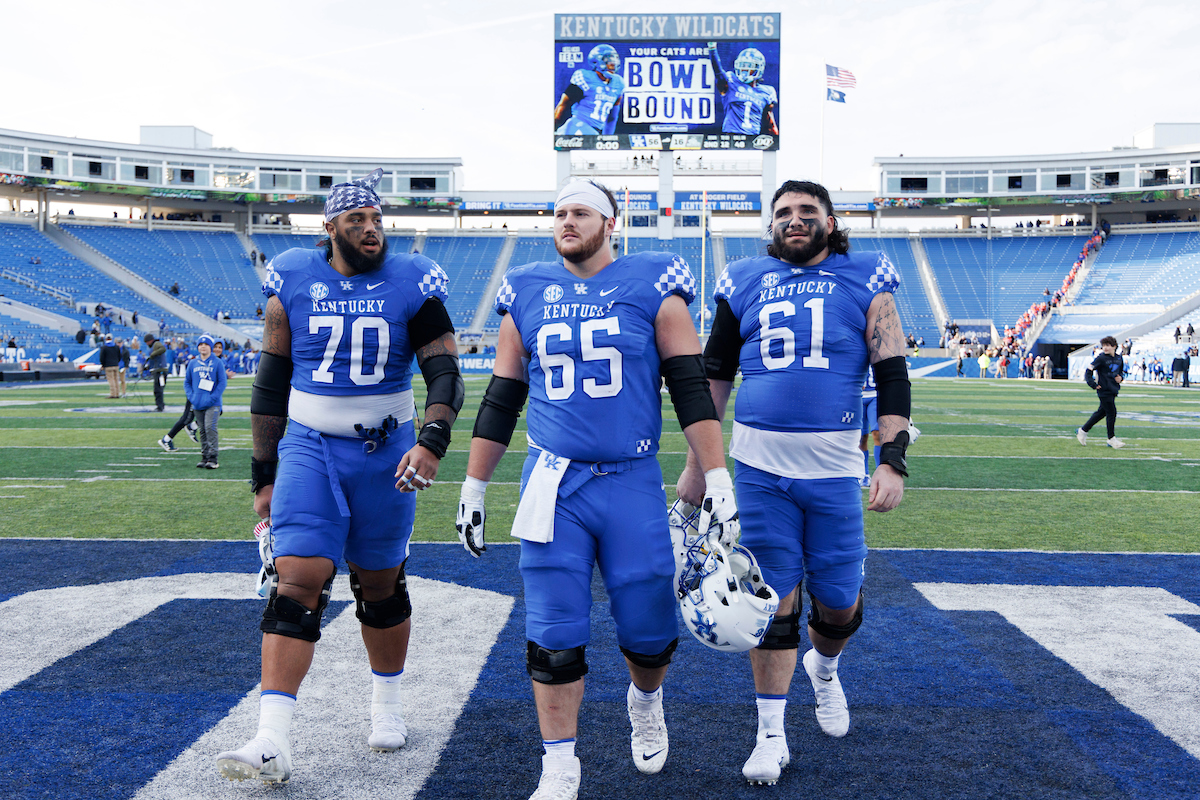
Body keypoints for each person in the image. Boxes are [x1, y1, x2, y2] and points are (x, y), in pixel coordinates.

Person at [455, 180, 734, 800]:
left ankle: (645, 700)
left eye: (580, 211)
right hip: (552, 483)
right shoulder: (525, 290)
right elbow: (502, 399)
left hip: (631, 481)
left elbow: (691, 388)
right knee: (553, 629)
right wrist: (475, 485)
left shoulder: (654, 282)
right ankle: (559, 765)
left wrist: (715, 475)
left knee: (650, 630)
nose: (566, 221)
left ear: (611, 222)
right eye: (559, 213)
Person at [216, 168, 464, 785]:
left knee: (379, 583)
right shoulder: (295, 277)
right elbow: (270, 384)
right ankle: (271, 736)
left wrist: (432, 440)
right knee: (297, 579)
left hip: (388, 450)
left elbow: (445, 373)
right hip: (309, 446)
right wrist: (262, 476)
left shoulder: (413, 281)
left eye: (377, 219)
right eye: (357, 220)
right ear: (330, 227)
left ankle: (387, 705)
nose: (371, 229)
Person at [677, 179, 910, 785]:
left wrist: (893, 457)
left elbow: (892, 373)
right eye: (784, 212)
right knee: (771, 600)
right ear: (771, 225)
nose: (795, 220)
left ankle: (825, 669)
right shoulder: (746, 279)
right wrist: (697, 465)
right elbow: (715, 377)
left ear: (830, 221)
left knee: (838, 603)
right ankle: (771, 734)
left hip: (834, 471)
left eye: (808, 211)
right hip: (759, 472)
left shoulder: (866, 278)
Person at [554, 44, 626, 135]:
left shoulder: (618, 83)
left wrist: (607, 139)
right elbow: (563, 105)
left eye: (615, 60)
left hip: (595, 131)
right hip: (576, 126)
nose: (612, 64)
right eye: (608, 60)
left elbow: (612, 117)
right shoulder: (586, 77)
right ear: (596, 62)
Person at [708, 44, 778, 135]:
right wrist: (712, 49)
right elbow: (718, 71)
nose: (744, 70)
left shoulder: (766, 92)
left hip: (752, 139)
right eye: (742, 66)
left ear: (759, 68)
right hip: (731, 137)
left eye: (749, 66)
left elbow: (770, 125)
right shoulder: (731, 82)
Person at [184, 334, 227, 468]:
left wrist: (213, 397)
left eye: (206, 345)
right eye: (201, 345)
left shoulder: (217, 362)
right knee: (202, 430)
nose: (203, 347)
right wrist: (192, 397)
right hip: (197, 402)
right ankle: (205, 457)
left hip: (213, 403)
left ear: (210, 347)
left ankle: (213, 458)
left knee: (210, 427)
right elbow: (187, 382)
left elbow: (222, 382)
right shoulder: (193, 363)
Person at [1077, 335, 1125, 448]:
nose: (1105, 348)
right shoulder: (1101, 358)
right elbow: (1088, 371)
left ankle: (1083, 431)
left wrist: (1121, 378)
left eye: (1108, 345)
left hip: (1113, 389)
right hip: (1103, 390)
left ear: (1114, 346)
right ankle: (1111, 438)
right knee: (1111, 412)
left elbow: (1121, 372)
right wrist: (1093, 384)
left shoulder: (1119, 358)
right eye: (1103, 345)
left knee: (1102, 412)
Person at [143, 333, 169, 410]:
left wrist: (152, 355)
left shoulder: (156, 344)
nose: (147, 344)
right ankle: (161, 405)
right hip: (158, 370)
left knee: (158, 390)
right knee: (158, 389)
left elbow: (163, 349)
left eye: (147, 342)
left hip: (160, 371)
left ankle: (160, 406)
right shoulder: (153, 346)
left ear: (150, 340)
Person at [99, 334, 122, 398]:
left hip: (108, 366)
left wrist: (103, 364)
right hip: (116, 365)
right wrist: (117, 362)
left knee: (111, 380)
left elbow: (102, 357)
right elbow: (120, 356)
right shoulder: (116, 347)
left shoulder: (104, 347)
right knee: (116, 379)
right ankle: (117, 393)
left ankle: (113, 394)